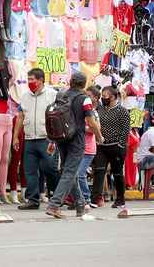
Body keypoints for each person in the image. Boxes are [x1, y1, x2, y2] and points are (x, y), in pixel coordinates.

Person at [45, 74, 103, 219]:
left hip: (61, 138)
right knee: (69, 172)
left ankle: (80, 204)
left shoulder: (61, 95)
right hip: (76, 140)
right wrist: (99, 136)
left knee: (70, 172)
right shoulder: (84, 99)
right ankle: (54, 205)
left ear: (71, 82)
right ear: (83, 85)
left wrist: (52, 141)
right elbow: (90, 120)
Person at [13, 68, 60, 210]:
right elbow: (20, 117)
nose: (30, 82)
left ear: (40, 80)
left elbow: (59, 115)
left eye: (32, 79)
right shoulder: (24, 96)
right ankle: (32, 200)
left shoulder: (53, 95)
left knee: (50, 167)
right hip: (29, 139)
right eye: (29, 79)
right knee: (29, 170)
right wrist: (15, 136)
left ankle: (57, 195)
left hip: (48, 139)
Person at [92, 86, 130, 208]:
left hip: (116, 147)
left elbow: (125, 130)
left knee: (117, 173)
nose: (103, 98)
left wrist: (120, 145)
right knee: (99, 171)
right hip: (101, 146)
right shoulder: (99, 109)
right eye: (102, 96)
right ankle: (95, 198)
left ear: (113, 97)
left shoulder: (122, 111)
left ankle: (120, 199)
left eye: (105, 96)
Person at [79, 85, 101, 208]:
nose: (86, 98)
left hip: (89, 149)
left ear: (96, 98)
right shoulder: (82, 110)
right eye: (85, 95)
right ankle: (79, 198)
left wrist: (83, 128)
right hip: (79, 147)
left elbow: (96, 129)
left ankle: (86, 198)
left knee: (80, 174)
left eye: (89, 96)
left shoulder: (94, 113)